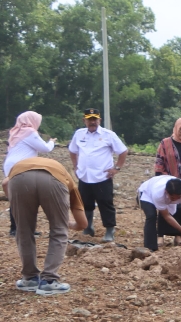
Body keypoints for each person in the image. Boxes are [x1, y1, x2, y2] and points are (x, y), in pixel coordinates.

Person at [7, 156, 88, 296]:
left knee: (23, 230)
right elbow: (83, 223)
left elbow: (4, 183)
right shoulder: (66, 177)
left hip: (18, 177)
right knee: (59, 230)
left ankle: (30, 278)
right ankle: (49, 281)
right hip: (53, 180)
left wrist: (17, 203)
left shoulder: (23, 165)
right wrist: (69, 224)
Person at [68, 108, 128, 242]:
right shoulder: (79, 134)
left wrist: (116, 168)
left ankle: (109, 230)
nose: (92, 122)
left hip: (102, 177)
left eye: (95, 119)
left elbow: (123, 151)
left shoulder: (108, 135)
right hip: (84, 176)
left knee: (105, 203)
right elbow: (72, 151)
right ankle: (88, 227)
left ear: (99, 120)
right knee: (85, 203)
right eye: (89, 119)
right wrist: (75, 166)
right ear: (84, 121)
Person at [3, 112, 56, 237]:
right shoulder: (30, 132)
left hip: (10, 164)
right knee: (28, 198)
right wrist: (51, 142)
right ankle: (23, 229)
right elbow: (45, 148)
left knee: (16, 198)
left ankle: (15, 228)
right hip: (21, 166)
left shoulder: (16, 132)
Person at [138, 175, 181, 251]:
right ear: (166, 191)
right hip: (147, 194)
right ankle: (150, 247)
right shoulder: (158, 194)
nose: (175, 199)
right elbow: (166, 216)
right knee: (151, 215)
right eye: (173, 198)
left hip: (165, 196)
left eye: (178, 197)